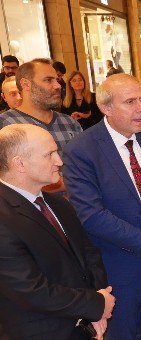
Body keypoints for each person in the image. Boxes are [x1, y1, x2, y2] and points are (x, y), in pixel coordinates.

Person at [62, 74, 141, 339]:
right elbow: (90, 214)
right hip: (117, 266)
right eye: (130, 102)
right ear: (106, 108)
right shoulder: (82, 149)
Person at [0, 124, 115, 339]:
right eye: (49, 154)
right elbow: (31, 290)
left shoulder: (58, 204)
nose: (59, 161)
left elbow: (89, 255)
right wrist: (95, 304)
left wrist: (95, 312)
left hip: (80, 327)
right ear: (20, 163)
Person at [0, 58, 82, 194]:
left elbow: (88, 167)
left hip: (78, 210)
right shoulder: (5, 125)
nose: (57, 86)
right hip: (30, 212)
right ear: (26, 85)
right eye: (48, 80)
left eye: (57, 80)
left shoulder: (70, 123)